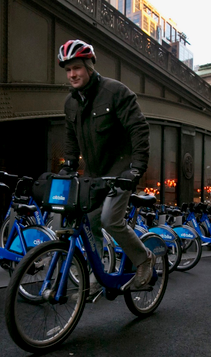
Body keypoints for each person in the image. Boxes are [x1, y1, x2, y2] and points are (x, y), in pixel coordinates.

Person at [57, 39, 154, 296]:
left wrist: (136, 168)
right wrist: (68, 165)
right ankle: (97, 276)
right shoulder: (71, 103)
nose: (72, 74)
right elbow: (70, 139)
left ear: (89, 66)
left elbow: (139, 129)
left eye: (77, 67)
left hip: (120, 171)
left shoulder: (115, 92)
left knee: (110, 218)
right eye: (68, 70)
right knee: (88, 222)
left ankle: (144, 259)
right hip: (93, 175)